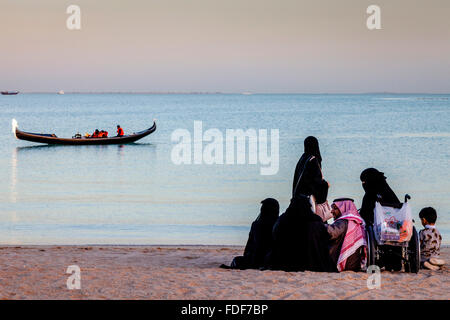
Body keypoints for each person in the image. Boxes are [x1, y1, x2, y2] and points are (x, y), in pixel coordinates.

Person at [265, 195, 337, 272]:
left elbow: (275, 236)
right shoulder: (315, 220)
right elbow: (324, 238)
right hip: (313, 260)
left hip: (286, 259)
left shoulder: (283, 219)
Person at [359, 168, 402, 271]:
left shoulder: (369, 195)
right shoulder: (390, 193)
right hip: (395, 229)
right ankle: (395, 262)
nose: (363, 184)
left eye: (364, 182)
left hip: (379, 230)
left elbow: (364, 215)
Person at [220, 198, 280, 270]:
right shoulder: (278, 223)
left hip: (256, 260)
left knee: (237, 260)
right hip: (271, 260)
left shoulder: (257, 224)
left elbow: (249, 247)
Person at [326, 198, 367, 272]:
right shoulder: (357, 222)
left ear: (343, 209)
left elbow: (331, 233)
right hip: (354, 265)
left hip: (338, 263)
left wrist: (320, 225)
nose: (331, 211)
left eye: (335, 208)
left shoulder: (343, 222)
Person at [292, 136, 329, 203]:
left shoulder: (303, 158)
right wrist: (326, 184)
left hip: (298, 197)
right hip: (308, 201)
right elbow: (315, 181)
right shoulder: (313, 160)